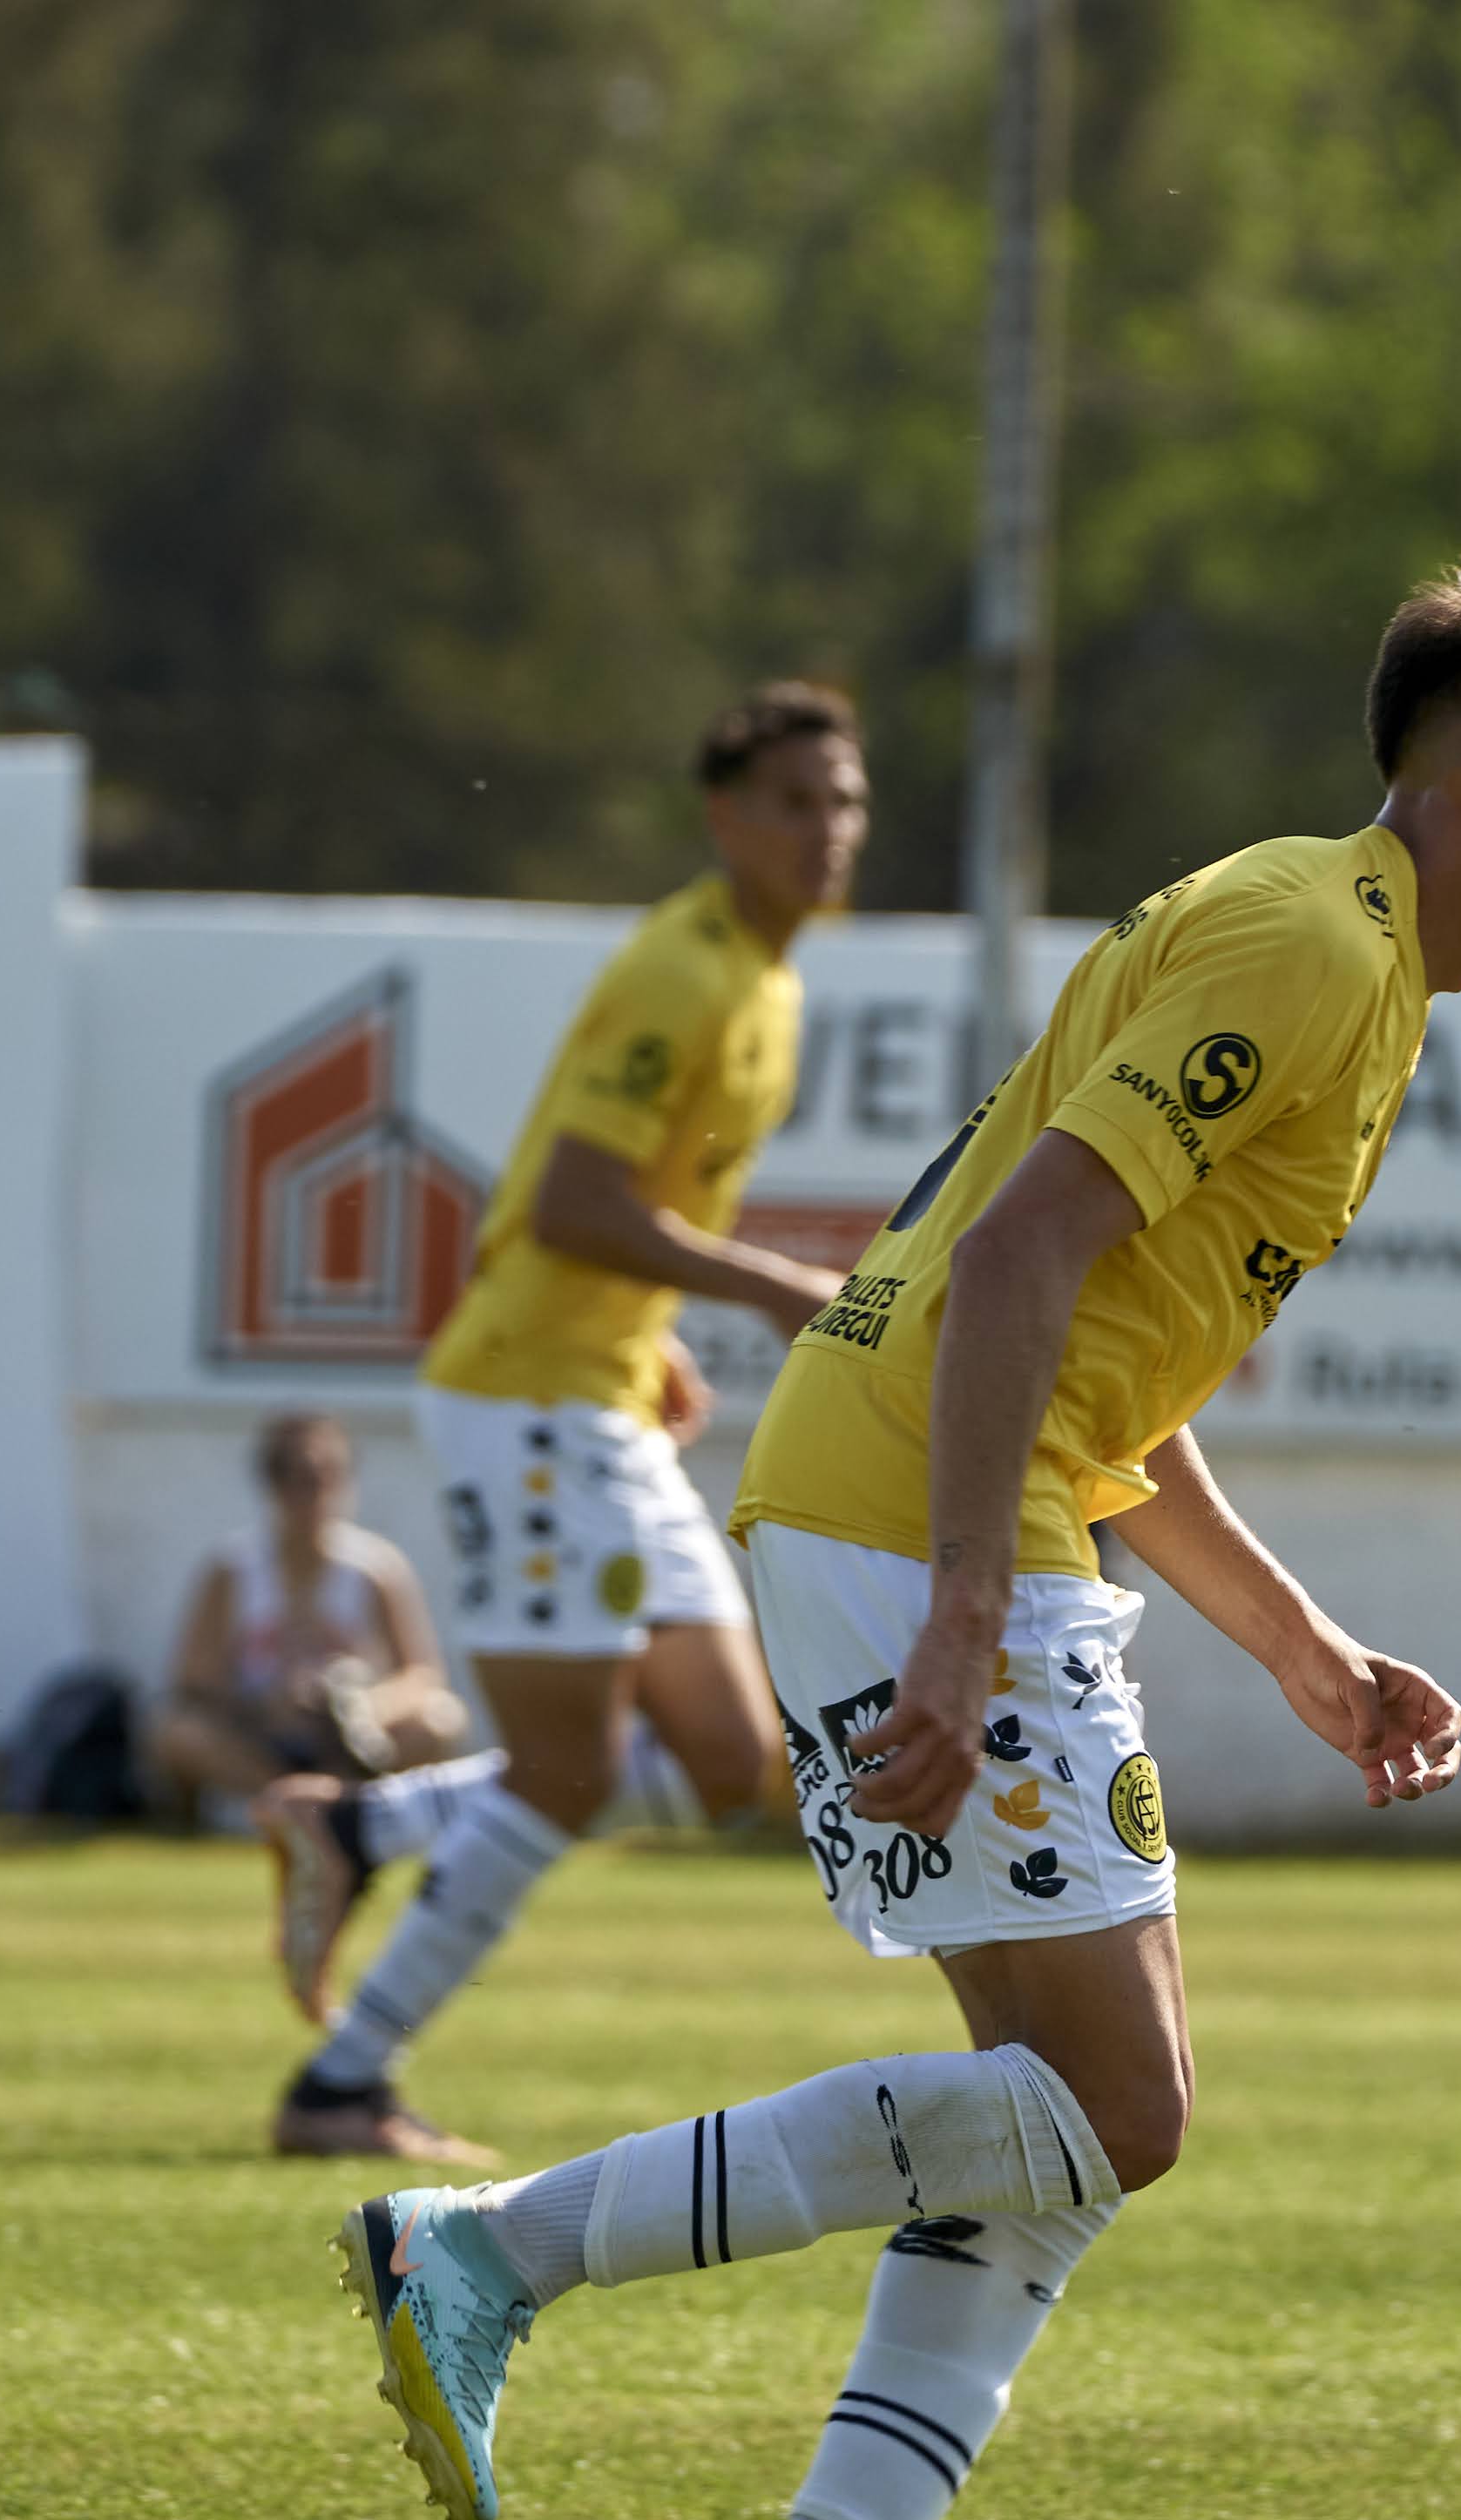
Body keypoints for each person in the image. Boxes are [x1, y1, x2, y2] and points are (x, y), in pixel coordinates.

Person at [320, 557, 1461, 2520]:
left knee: (1045, 2145)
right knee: (1121, 2111)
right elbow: (1025, 1249)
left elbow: (1107, 1342)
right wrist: (965, 1614)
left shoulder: (1349, 958)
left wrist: (1301, 1644)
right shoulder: (1312, 945)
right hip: (918, 1520)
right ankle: (488, 2255)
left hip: (911, 1504)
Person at [260, 684, 867, 2166]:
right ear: (725, 818)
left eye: (844, 801)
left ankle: (360, 1830)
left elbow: (617, 1210)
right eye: (795, 803)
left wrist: (651, 1339)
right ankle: (342, 2085)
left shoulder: (769, 981)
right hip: (529, 1396)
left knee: (735, 1762)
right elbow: (574, 1204)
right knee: (569, 1770)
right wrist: (774, 1286)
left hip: (595, 1392)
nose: (827, 831)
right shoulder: (683, 972)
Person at [145, 1413, 474, 1827]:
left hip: (354, 1743)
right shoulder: (231, 1569)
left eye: (330, 1478)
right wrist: (267, 1707)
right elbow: (193, 1682)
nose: (316, 1496)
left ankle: (340, 1806)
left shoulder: (377, 1567)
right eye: (300, 1480)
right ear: (274, 1485)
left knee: (442, 1718)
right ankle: (297, 1808)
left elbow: (423, 1674)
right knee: (176, 1732)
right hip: (261, 1740)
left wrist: (359, 1708)